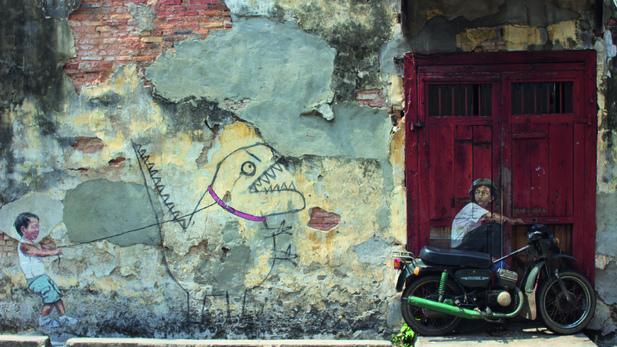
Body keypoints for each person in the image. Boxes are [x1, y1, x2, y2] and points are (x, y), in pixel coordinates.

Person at [14, 212, 78, 330]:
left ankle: (63, 317)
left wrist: (54, 249)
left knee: (56, 294)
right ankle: (44, 320)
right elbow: (38, 253)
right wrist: (53, 252)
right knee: (50, 297)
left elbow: (42, 249)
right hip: (35, 280)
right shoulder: (23, 245)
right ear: (23, 229)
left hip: (42, 277)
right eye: (34, 227)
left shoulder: (32, 243)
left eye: (38, 226)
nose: (37, 229)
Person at [450, 179, 523, 259]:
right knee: (494, 226)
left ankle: (489, 259)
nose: (480, 195)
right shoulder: (471, 207)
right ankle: (495, 260)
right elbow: (496, 217)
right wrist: (513, 221)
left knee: (489, 228)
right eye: (477, 192)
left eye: (484, 193)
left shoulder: (480, 212)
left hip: (465, 244)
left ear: (491, 198)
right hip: (461, 246)